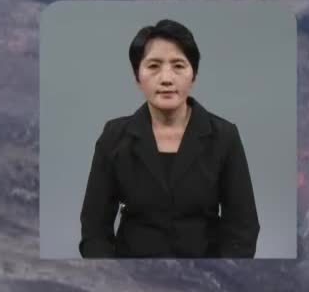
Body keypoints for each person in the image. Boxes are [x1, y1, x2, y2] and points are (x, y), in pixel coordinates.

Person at [78, 19, 259, 257]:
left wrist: (222, 278)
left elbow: (243, 227)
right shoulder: (114, 137)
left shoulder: (224, 136)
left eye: (178, 66)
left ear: (193, 75)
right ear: (137, 77)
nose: (166, 78)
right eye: (153, 66)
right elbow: (94, 230)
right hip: (130, 277)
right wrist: (113, 278)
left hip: (206, 279)